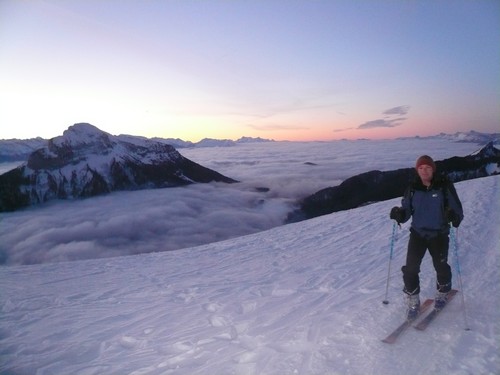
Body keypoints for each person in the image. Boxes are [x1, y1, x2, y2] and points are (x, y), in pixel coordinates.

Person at [389, 155, 464, 320]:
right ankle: (413, 302)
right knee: (410, 269)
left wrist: (453, 216)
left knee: (441, 267)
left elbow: (457, 211)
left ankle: (443, 291)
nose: (424, 171)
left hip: (439, 234)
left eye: (428, 168)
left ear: (433, 169)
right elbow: (407, 209)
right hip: (418, 234)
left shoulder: (444, 187)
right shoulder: (413, 187)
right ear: (417, 170)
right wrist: (400, 215)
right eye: (421, 168)